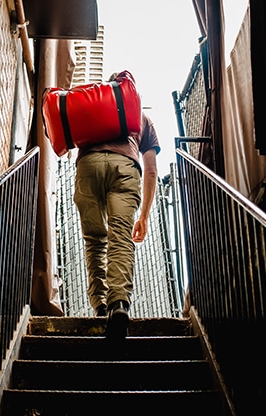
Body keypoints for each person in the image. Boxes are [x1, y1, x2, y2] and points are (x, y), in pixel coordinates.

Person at [72, 80, 160, 339]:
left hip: (88, 166)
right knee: (120, 237)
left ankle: (100, 306)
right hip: (125, 168)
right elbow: (152, 169)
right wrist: (143, 215)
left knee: (95, 239)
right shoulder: (141, 116)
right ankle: (118, 304)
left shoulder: (94, 111)